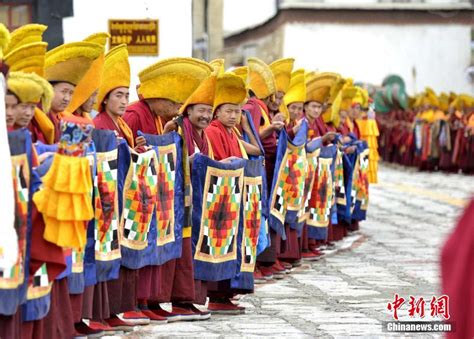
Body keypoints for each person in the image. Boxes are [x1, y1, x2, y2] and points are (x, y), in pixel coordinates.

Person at [124, 57, 213, 322]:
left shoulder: (159, 117)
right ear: (157, 96)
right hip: (139, 195)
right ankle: (137, 301)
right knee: (140, 247)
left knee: (158, 248)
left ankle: (150, 300)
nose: (176, 110)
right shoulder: (135, 113)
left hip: (161, 195)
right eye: (174, 104)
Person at [243, 57, 286, 280]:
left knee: (263, 215)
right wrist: (270, 130)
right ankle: (258, 262)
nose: (278, 100)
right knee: (256, 215)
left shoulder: (258, 107)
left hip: (265, 165)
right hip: (258, 166)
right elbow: (253, 138)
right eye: (276, 96)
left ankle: (266, 260)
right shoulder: (253, 107)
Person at [44, 40, 103, 142]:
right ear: (48, 90)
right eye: (64, 91)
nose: (67, 98)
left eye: (71, 93)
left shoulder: (68, 120)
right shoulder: (38, 119)